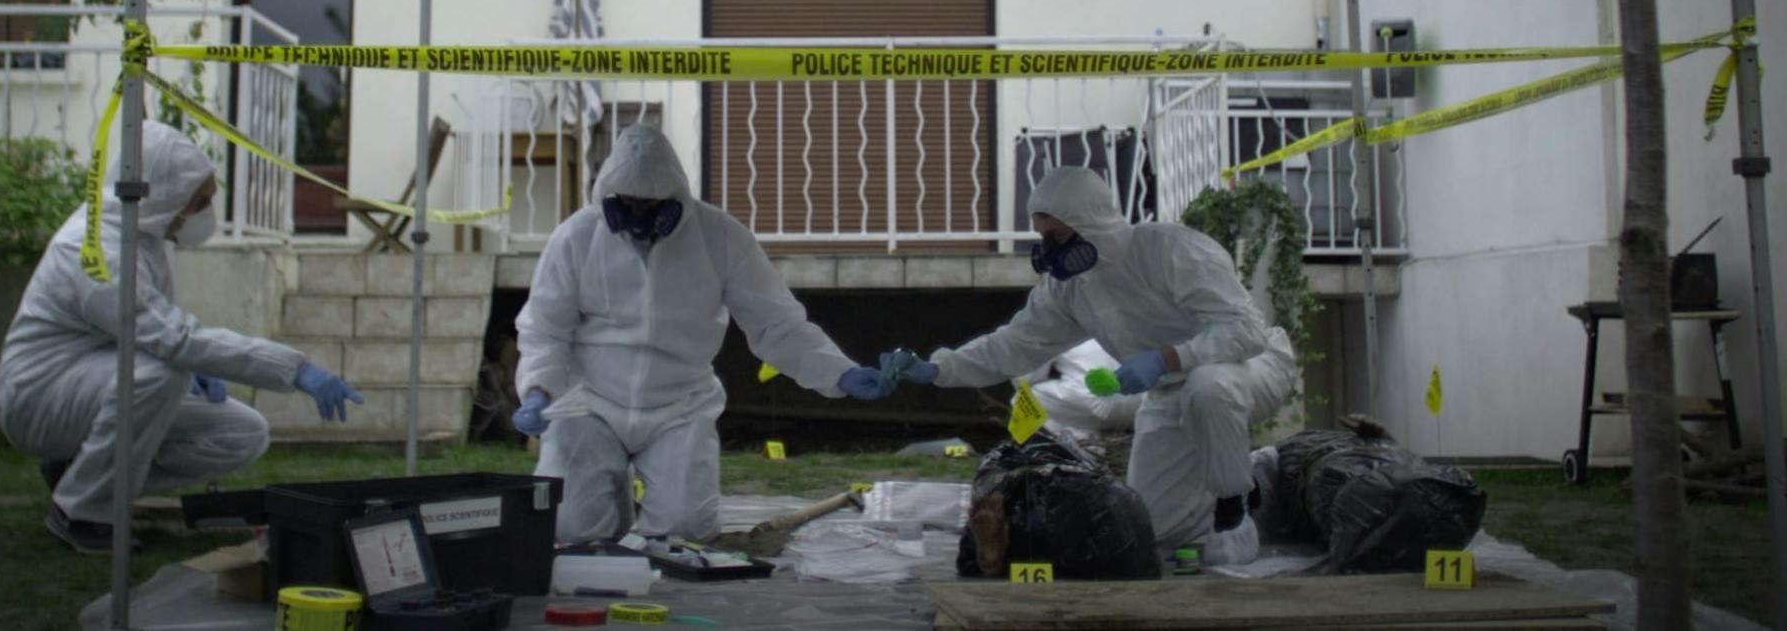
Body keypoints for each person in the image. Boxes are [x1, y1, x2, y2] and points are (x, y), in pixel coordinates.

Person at [880, 167, 1296, 562]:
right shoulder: (1070, 288)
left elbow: (1247, 331)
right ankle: (1259, 474)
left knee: (1209, 387)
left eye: (1056, 234)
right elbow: (1012, 346)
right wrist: (937, 369)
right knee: (1148, 530)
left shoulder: (1170, 249)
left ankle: (1234, 503)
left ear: (1090, 222)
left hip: (1250, 366)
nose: (1048, 248)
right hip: (1170, 390)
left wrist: (1168, 357)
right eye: (1042, 236)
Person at [0, 121, 363, 553]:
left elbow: (156, 329)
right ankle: (82, 513)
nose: (205, 211)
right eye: (199, 201)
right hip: (37, 396)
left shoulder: (144, 238)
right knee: (159, 374)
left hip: (91, 382)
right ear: (162, 194)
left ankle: (77, 474)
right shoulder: (92, 249)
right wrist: (295, 369)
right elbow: (174, 339)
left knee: (242, 433)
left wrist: (190, 368)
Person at [514, 124, 892, 544]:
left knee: (686, 532)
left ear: (676, 198)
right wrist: (538, 388)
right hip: (589, 403)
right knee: (568, 528)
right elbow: (545, 328)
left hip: (679, 406)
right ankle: (608, 504)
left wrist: (838, 372)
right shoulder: (577, 236)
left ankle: (621, 504)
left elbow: (776, 323)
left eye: (651, 205)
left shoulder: (721, 238)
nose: (639, 217)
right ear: (609, 197)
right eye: (628, 205)